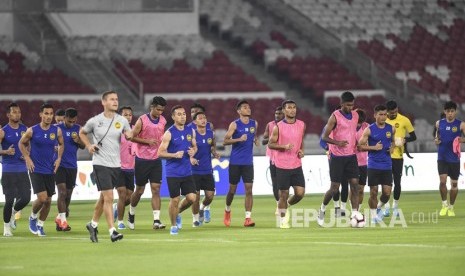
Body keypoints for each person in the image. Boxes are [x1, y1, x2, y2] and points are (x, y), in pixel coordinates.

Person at [79, 91, 132, 243]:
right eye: (112, 99)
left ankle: (93, 224)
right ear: (103, 102)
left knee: (103, 198)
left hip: (116, 164)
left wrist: (132, 133)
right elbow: (82, 133)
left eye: (117, 99)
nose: (116, 101)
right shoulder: (95, 121)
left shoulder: (122, 120)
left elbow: (129, 134)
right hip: (100, 163)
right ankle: (112, 231)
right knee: (109, 197)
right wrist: (88, 146)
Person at [19, 103, 64, 237]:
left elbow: (61, 144)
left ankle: (40, 225)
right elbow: (21, 143)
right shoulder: (32, 130)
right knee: (43, 198)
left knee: (49, 201)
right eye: (46, 113)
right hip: (35, 168)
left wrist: (59, 158)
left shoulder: (56, 131)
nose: (49, 116)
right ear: (41, 115)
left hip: (50, 169)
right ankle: (32, 216)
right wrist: (27, 158)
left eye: (51, 114)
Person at [317, 91, 360, 226]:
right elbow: (324, 137)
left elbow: (352, 132)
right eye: (347, 105)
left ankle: (354, 214)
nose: (350, 107)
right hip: (337, 157)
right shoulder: (334, 117)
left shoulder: (355, 115)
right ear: (341, 104)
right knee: (335, 187)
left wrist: (356, 143)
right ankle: (322, 209)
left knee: (355, 185)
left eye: (352, 105)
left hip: (351, 156)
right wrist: (338, 143)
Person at [128, 96, 167, 230]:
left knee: (156, 189)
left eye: (162, 110)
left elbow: (162, 137)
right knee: (139, 190)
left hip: (156, 159)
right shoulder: (142, 120)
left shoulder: (163, 120)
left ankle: (156, 220)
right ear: (152, 107)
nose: (160, 112)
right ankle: (131, 212)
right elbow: (132, 137)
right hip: (142, 159)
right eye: (158, 109)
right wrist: (147, 142)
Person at [158, 105, 197, 235]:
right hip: (173, 172)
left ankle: (178, 213)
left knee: (192, 198)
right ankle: (173, 226)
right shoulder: (169, 133)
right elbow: (160, 153)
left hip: (186, 171)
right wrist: (174, 155)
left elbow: (194, 147)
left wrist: (193, 151)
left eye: (184, 114)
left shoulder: (190, 131)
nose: (182, 116)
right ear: (174, 117)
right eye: (179, 114)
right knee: (174, 199)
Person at [268, 100, 306, 229]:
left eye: (294, 107)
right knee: (283, 194)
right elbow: (270, 144)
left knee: (300, 193)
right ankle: (283, 221)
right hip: (282, 165)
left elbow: (301, 140)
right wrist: (284, 147)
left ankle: (286, 205)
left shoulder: (301, 125)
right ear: (284, 111)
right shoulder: (278, 126)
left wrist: (302, 150)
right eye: (289, 108)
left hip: (296, 164)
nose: (292, 110)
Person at [223, 100, 259, 227]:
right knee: (232, 190)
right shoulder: (234, 124)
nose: (248, 109)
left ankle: (248, 218)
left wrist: (255, 139)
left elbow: (253, 135)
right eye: (245, 107)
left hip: (248, 163)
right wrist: (239, 139)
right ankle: (227, 210)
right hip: (235, 162)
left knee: (249, 190)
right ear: (239, 111)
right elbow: (225, 141)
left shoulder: (254, 123)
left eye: (249, 107)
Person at [358, 104, 395, 224]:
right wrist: (374, 147)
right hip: (373, 165)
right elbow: (359, 146)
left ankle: (379, 206)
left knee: (387, 193)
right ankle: (374, 216)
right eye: (381, 114)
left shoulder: (391, 128)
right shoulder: (369, 129)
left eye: (385, 114)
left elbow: (393, 141)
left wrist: (392, 148)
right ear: (375, 115)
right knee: (373, 191)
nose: (383, 117)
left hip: (387, 165)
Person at [0, 102, 30, 236]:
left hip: (22, 169)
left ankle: (12, 213)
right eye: (14, 112)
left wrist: (27, 154)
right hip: (8, 170)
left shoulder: (25, 129)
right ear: (8, 115)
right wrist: (5, 152)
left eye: (19, 112)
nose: (17, 114)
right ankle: (6, 227)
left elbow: (29, 145)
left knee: (26, 198)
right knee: (9, 199)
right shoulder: (3, 131)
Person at [54, 108, 85, 232]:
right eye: (69, 121)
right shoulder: (56, 129)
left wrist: (78, 141)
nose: (71, 123)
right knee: (62, 193)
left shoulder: (78, 129)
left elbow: (84, 146)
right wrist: (54, 147)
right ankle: (63, 222)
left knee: (68, 195)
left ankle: (59, 218)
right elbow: (48, 143)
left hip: (72, 166)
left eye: (73, 121)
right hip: (59, 165)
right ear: (64, 118)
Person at [384, 100, 416, 217]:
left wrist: (404, 140)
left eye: (396, 111)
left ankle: (395, 207)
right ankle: (386, 207)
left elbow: (414, 137)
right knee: (386, 183)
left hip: (398, 156)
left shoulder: (404, 120)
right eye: (392, 113)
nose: (394, 114)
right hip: (385, 156)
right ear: (387, 112)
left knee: (397, 182)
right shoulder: (383, 120)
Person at [435, 101, 465, 217]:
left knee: (454, 185)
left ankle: (451, 207)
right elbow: (437, 136)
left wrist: (461, 140)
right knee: (442, 182)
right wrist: (436, 140)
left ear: (455, 112)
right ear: (444, 112)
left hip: (454, 159)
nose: (450, 114)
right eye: (448, 111)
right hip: (442, 157)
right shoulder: (439, 123)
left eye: (452, 111)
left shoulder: (461, 125)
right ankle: (444, 205)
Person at [190, 111, 219, 226]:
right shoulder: (192, 135)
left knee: (210, 196)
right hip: (195, 170)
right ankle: (195, 219)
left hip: (207, 169)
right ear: (195, 121)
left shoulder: (211, 134)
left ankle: (202, 208)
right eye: (200, 118)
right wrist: (190, 159)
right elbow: (187, 149)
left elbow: (212, 146)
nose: (203, 120)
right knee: (195, 197)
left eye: (204, 117)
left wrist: (214, 153)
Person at [113, 106, 135, 230]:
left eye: (130, 115)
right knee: (122, 194)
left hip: (131, 168)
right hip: (118, 168)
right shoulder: (115, 132)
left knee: (129, 197)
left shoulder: (134, 131)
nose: (128, 117)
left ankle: (116, 207)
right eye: (125, 115)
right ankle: (120, 222)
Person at [261, 106, 284, 215]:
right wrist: (272, 137)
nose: (277, 115)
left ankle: (284, 203)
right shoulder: (270, 125)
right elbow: (263, 141)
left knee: (284, 183)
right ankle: (278, 204)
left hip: (285, 158)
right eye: (276, 113)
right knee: (275, 183)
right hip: (273, 158)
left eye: (279, 113)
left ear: (284, 114)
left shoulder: (287, 126)